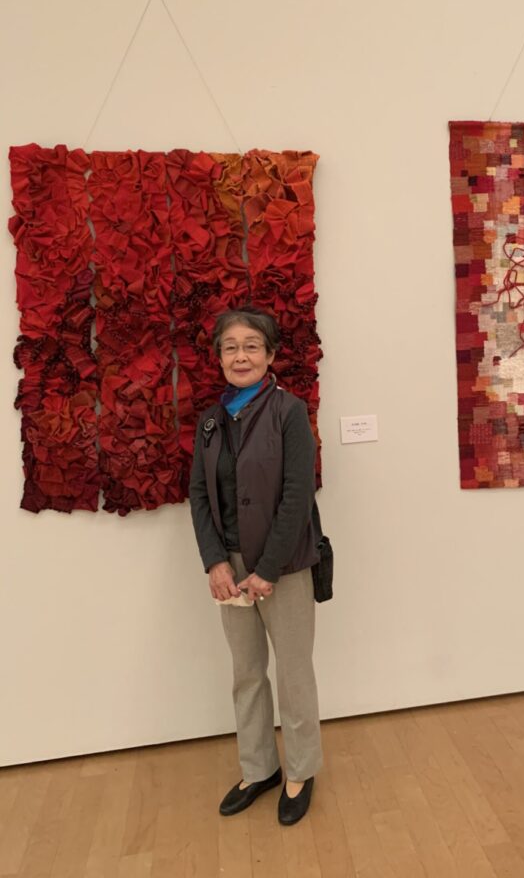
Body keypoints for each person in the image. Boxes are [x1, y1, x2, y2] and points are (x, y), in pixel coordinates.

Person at [189, 307, 323, 825]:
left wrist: (266, 568)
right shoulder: (210, 421)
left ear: (269, 355)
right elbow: (200, 496)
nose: (240, 356)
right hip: (230, 568)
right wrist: (215, 562)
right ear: (219, 357)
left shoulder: (290, 412)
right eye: (230, 347)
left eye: (251, 346)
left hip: (283, 566)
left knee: (293, 674)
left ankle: (301, 770)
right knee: (246, 673)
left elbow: (297, 496)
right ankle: (259, 768)